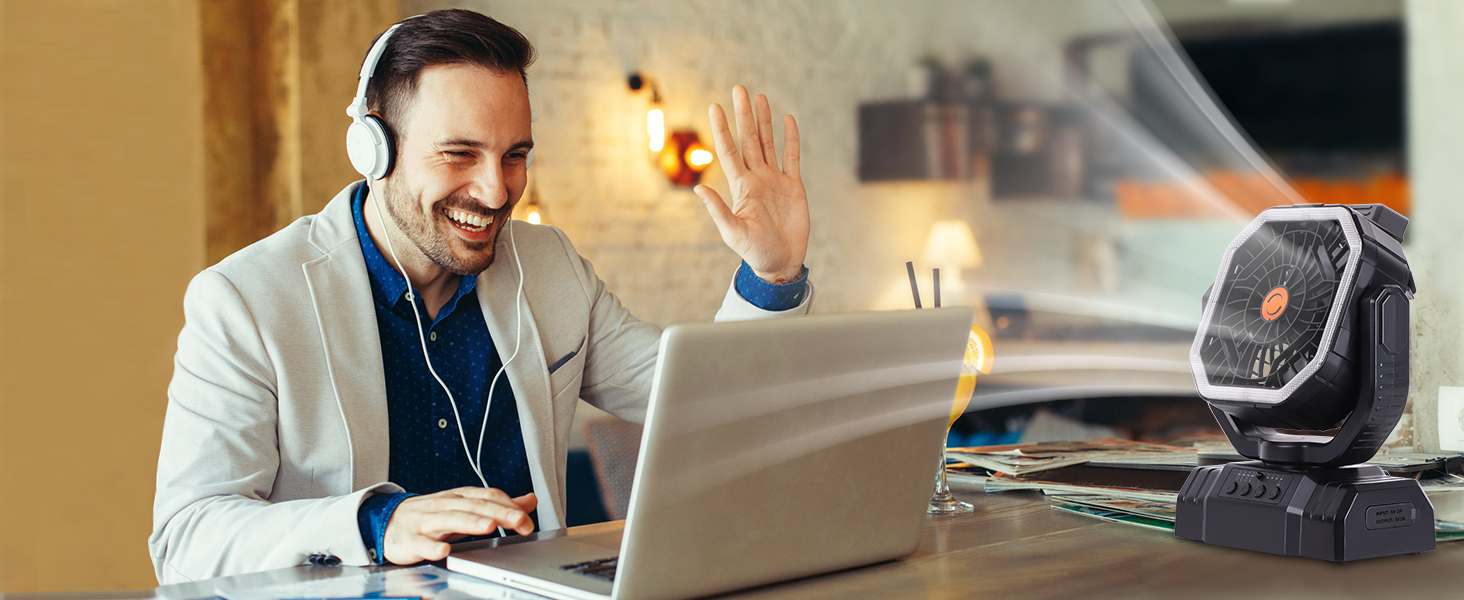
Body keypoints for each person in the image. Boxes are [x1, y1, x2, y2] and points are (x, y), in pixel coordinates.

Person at [149, 9, 812, 583]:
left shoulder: (551, 267)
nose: (496, 191)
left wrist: (772, 273)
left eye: (514, 155)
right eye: (460, 154)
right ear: (374, 148)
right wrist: (379, 523)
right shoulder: (244, 300)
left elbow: (703, 402)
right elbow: (187, 537)